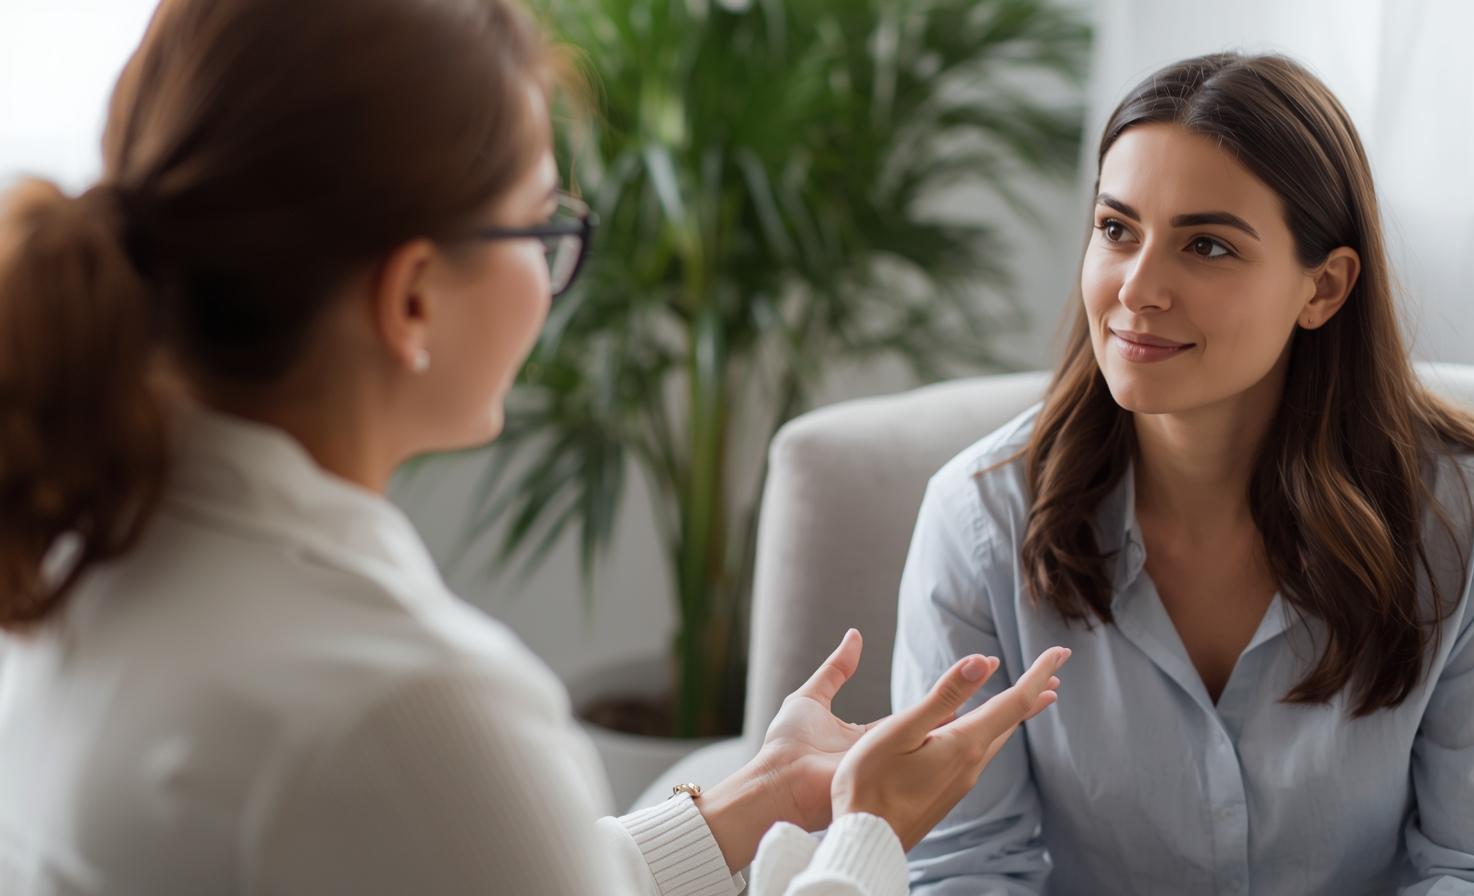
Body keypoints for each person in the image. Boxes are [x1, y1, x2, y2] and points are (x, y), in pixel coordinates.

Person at [0, 1, 1071, 893]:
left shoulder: (78, 553)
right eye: (543, 224)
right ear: (413, 297)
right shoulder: (404, 706)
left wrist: (754, 802)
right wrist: (865, 836)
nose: (556, 275)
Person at [891, 52, 1474, 895]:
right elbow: (963, 868)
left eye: (1206, 246)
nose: (1138, 290)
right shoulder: (978, 521)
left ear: (1324, 288)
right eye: (1116, 230)